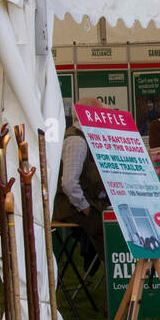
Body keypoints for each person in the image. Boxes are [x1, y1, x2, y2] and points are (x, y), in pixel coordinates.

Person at [53, 107, 109, 260]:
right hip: (70, 206)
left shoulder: (85, 136)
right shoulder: (76, 140)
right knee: (109, 226)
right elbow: (69, 184)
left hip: (81, 203)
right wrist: (86, 209)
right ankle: (115, 274)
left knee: (113, 220)